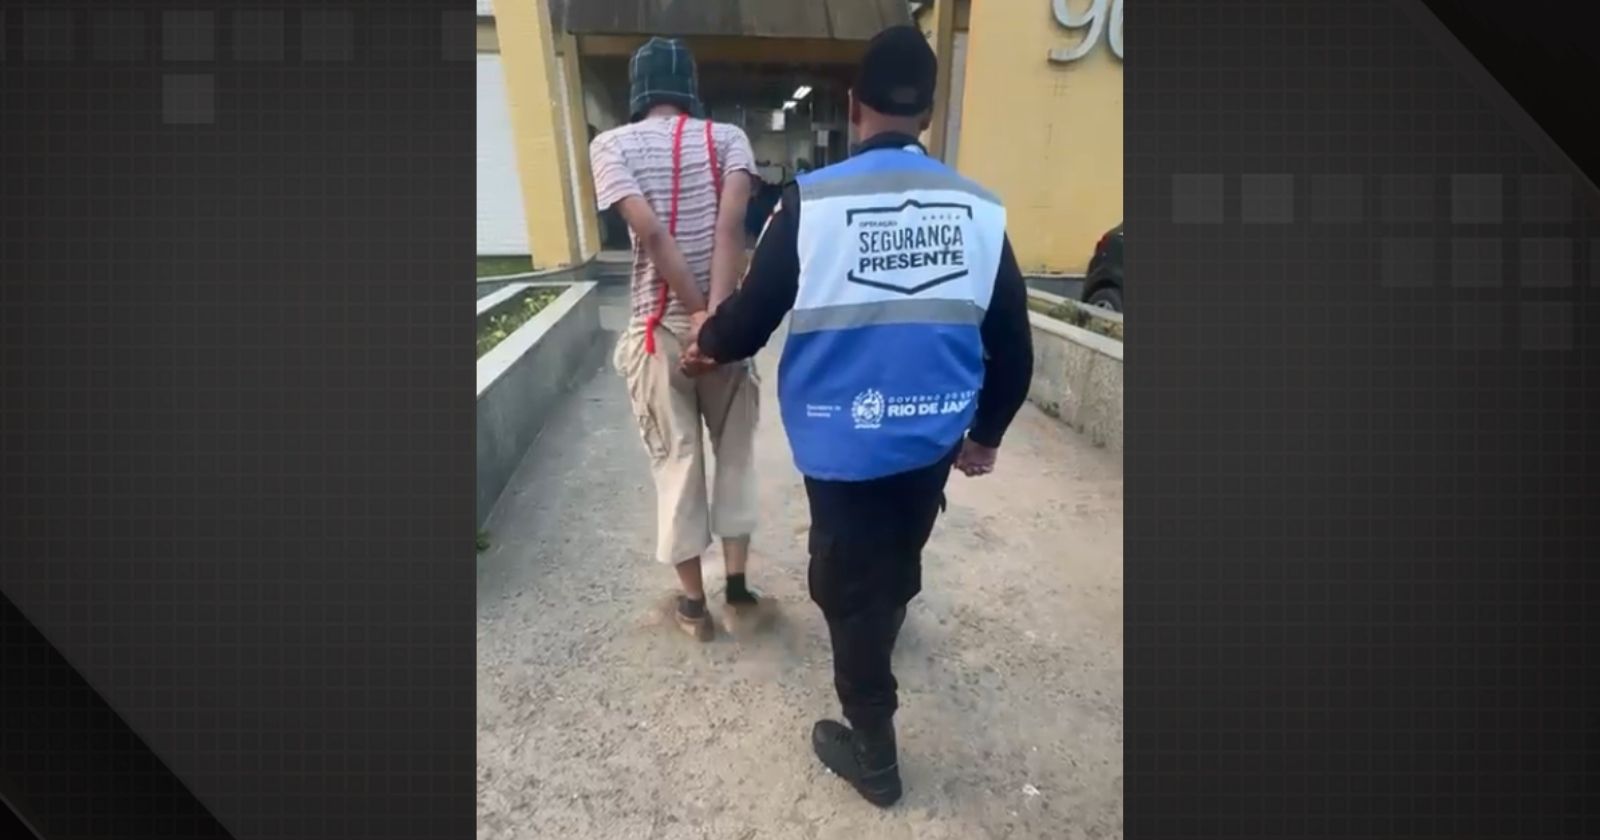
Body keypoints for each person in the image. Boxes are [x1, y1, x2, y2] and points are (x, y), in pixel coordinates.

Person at [683, 26, 1034, 806]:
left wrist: (705, 340)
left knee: (845, 591)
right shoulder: (980, 210)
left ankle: (873, 751)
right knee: (898, 553)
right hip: (929, 438)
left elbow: (748, 322)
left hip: (842, 443)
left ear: (853, 105)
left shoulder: (813, 202)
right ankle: (885, 618)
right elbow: (1014, 346)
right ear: (928, 114)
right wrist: (985, 436)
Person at [589, 37, 765, 641]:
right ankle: (738, 588)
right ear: (690, 89)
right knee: (735, 451)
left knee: (678, 460)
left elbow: (651, 234)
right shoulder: (730, 139)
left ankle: (694, 606)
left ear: (638, 93)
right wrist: (713, 324)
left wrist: (690, 314)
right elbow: (731, 229)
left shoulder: (610, 145)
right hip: (725, 328)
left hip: (657, 329)